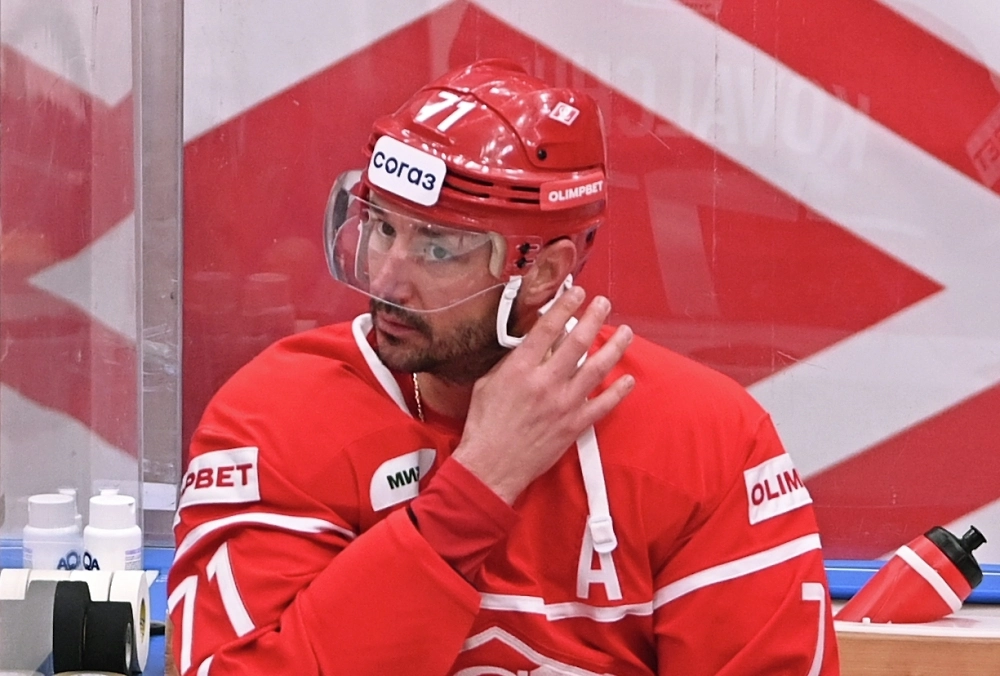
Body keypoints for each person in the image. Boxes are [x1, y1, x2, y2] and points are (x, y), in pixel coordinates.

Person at [167, 59, 840, 675]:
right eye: (383, 227)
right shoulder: (276, 416)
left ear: (543, 270)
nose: (387, 280)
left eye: (438, 248)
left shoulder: (707, 441)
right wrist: (476, 486)